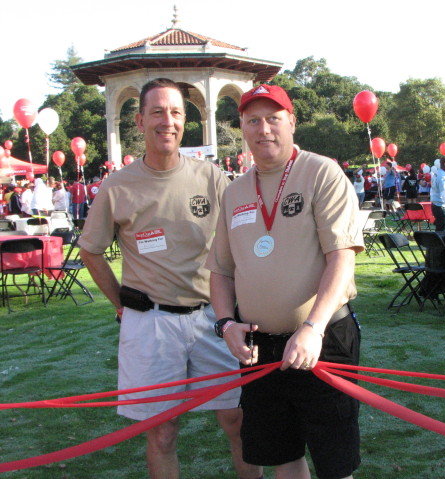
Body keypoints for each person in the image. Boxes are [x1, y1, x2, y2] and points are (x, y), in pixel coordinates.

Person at [78, 78, 261, 479]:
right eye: (158, 112)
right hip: (151, 324)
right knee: (162, 433)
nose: (168, 121)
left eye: (176, 112)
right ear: (141, 120)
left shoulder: (210, 177)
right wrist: (119, 304)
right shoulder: (117, 186)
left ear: (185, 121)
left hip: (214, 319)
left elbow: (242, 237)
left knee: (238, 421)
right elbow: (90, 250)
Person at [207, 84, 363, 479]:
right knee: (281, 454)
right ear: (242, 127)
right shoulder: (236, 191)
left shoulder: (321, 172)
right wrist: (226, 324)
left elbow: (342, 257)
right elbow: (221, 271)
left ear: (291, 122)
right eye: (253, 120)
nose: (264, 129)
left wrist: (313, 327)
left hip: (322, 340)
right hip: (260, 348)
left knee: (334, 459)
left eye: (274, 118)